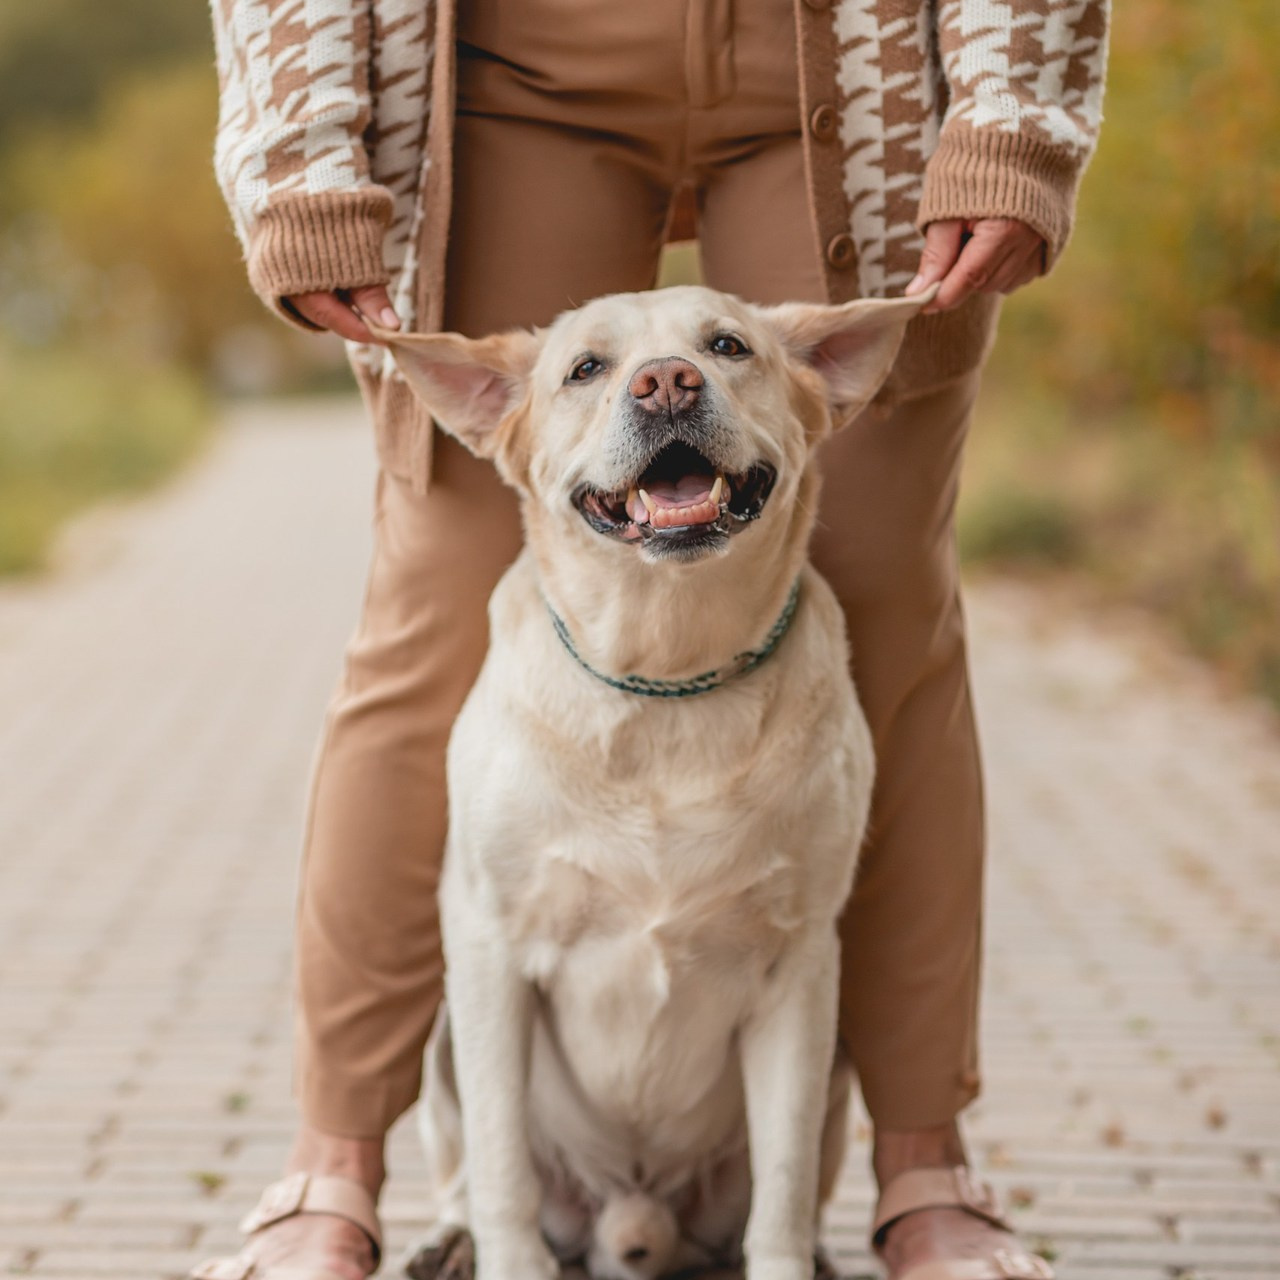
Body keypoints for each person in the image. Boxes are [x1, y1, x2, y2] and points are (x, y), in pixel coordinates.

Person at [199, 3, 1108, 1279]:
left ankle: (924, 1171)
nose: (666, 385)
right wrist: (299, 159)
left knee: (885, 598)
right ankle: (330, 1172)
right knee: (435, 608)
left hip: (855, 49)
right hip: (507, 63)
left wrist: (1011, 116)